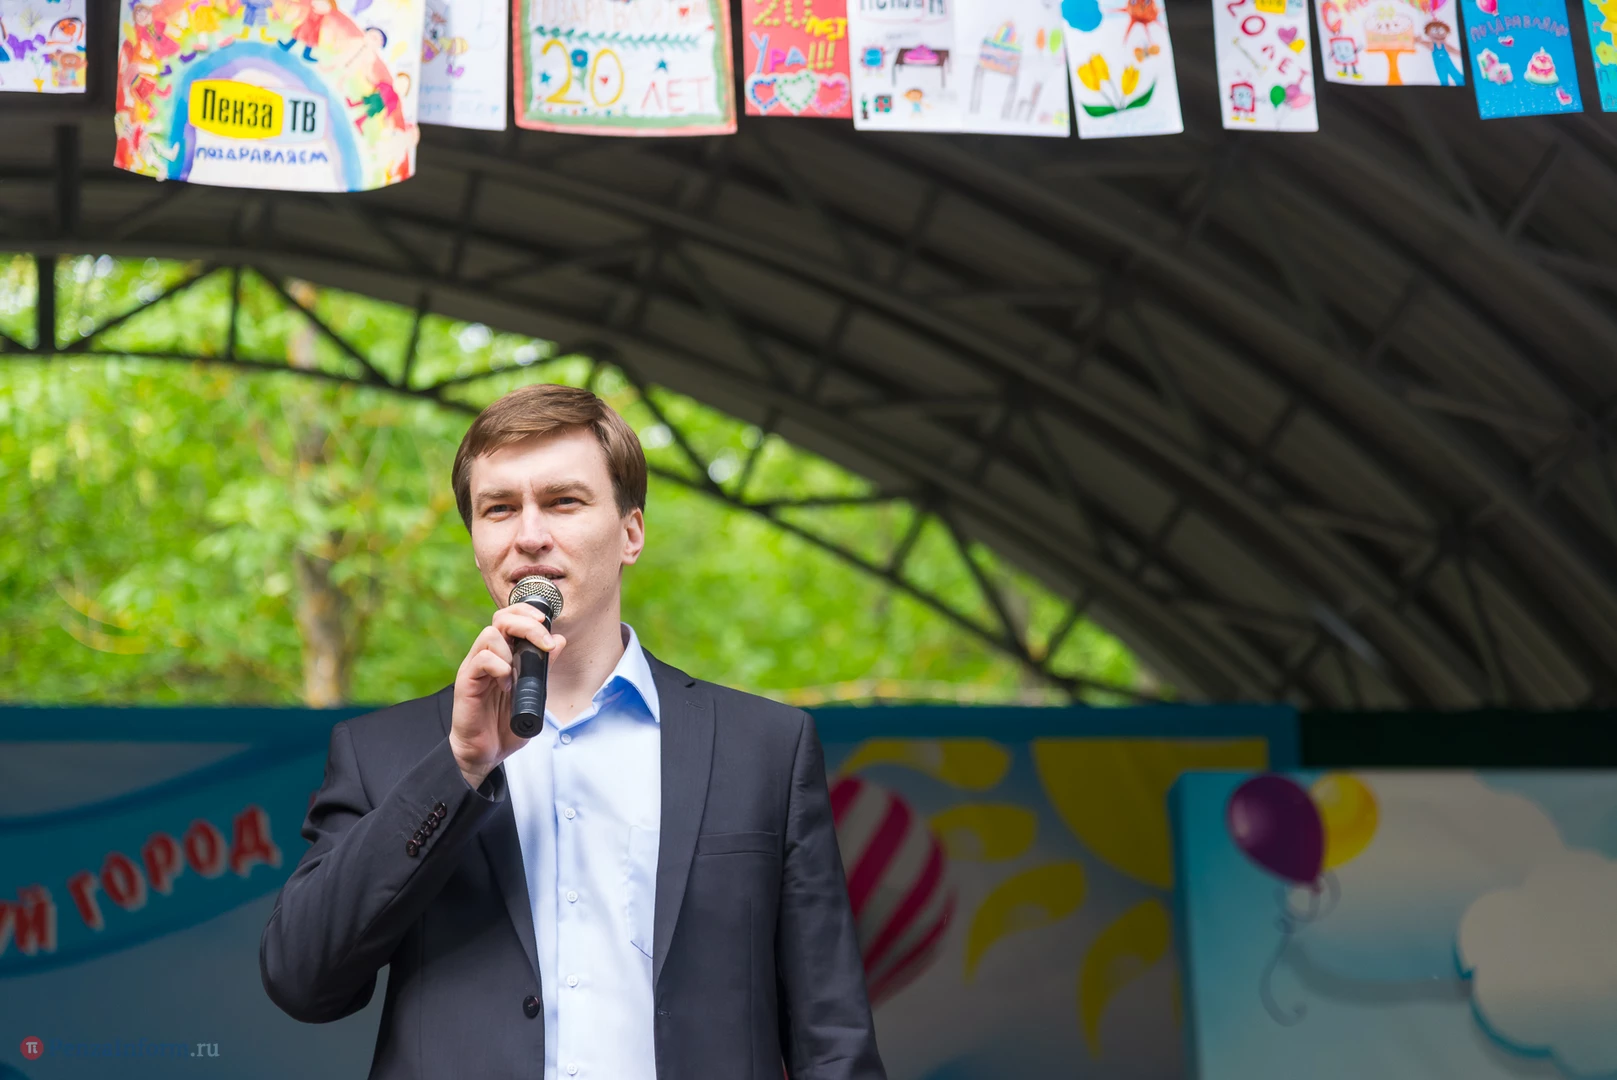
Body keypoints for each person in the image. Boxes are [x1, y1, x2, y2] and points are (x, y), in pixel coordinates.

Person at [260, 384, 886, 1080]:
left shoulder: (763, 748)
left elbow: (833, 1038)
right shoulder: (384, 752)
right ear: (476, 544)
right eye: (499, 508)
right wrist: (460, 766)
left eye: (563, 501)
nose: (529, 534)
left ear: (631, 533)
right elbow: (301, 979)